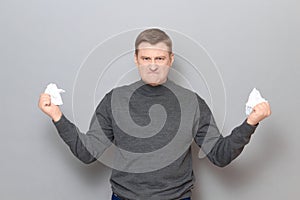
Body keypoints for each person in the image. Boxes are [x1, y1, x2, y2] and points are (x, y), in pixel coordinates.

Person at [38, 28, 271, 200]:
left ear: (170, 60)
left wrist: (251, 122)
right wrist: (57, 116)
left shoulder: (192, 103)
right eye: (146, 58)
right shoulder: (114, 100)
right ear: (136, 60)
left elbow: (220, 156)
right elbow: (87, 152)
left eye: (159, 58)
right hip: (124, 198)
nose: (152, 65)